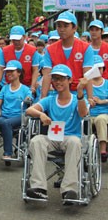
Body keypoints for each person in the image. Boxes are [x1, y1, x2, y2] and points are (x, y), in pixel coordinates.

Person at [25, 64, 88, 203]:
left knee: (74, 142)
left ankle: (69, 189)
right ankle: (39, 187)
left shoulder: (76, 99)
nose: (58, 82)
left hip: (71, 138)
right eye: (55, 79)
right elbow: (29, 110)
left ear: (69, 80)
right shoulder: (50, 99)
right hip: (53, 138)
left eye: (61, 79)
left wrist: (80, 93)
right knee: (37, 141)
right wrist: (41, 114)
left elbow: (83, 113)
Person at [41, 11, 94, 99]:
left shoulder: (85, 48)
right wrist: (42, 98)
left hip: (78, 93)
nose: (62, 29)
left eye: (66, 26)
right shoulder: (50, 49)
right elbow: (47, 75)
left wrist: (89, 98)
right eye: (59, 26)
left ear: (74, 28)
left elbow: (87, 75)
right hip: (57, 94)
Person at [0, 60, 32, 161]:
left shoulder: (25, 89)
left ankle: (8, 153)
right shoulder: (5, 88)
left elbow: (29, 98)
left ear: (19, 73)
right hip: (5, 116)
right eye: (7, 72)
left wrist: (28, 99)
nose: (9, 74)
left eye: (12, 71)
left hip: (19, 116)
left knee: (5, 123)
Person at [0, 25, 40, 95]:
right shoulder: (5, 51)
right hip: (10, 86)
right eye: (14, 40)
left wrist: (33, 86)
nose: (16, 42)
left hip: (27, 86)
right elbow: (0, 69)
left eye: (18, 39)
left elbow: (35, 70)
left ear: (24, 37)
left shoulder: (32, 51)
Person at [89, 56, 108, 162]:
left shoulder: (107, 83)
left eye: (100, 68)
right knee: (86, 122)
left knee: (100, 119)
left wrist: (102, 101)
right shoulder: (87, 84)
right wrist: (89, 101)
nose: (98, 71)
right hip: (90, 113)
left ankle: (103, 149)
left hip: (105, 114)